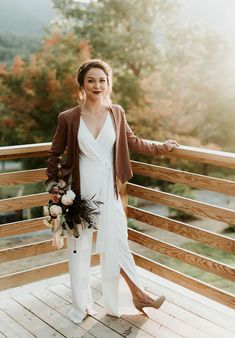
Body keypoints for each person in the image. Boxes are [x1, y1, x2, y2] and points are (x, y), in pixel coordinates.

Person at [45, 59, 179, 323]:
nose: (97, 85)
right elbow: (54, 155)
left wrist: (162, 147)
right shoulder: (69, 118)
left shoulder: (116, 112)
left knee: (117, 242)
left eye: (102, 80)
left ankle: (129, 296)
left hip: (109, 188)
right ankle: (81, 306)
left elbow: (133, 141)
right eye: (91, 80)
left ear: (108, 83)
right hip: (80, 193)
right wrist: (56, 190)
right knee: (80, 249)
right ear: (82, 85)